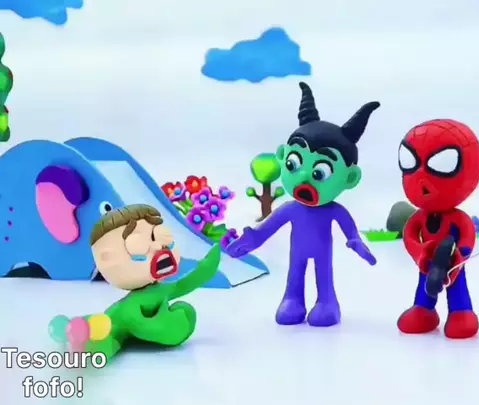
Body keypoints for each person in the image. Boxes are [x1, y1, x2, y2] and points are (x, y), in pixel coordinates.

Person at [226, 82, 378, 327]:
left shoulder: (334, 211)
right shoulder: (290, 209)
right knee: (294, 274)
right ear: (282, 156)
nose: (304, 177)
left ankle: (327, 302)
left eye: (320, 172)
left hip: (323, 252)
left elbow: (350, 231)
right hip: (297, 251)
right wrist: (251, 240)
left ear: (350, 178)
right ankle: (292, 300)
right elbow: (266, 229)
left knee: (324, 275)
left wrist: (356, 242)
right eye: (294, 164)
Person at [86, 204, 220, 359]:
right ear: (106, 259)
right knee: (104, 336)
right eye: (140, 245)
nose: (158, 247)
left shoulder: (161, 288)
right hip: (110, 326)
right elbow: (137, 322)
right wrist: (162, 327)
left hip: (113, 326)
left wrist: (208, 266)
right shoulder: (130, 307)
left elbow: (186, 283)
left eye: (162, 237)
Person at [396, 119, 479, 339]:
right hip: (427, 263)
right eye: (411, 164)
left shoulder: (459, 219)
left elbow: (467, 235)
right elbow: (409, 234)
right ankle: (423, 310)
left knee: (457, 287)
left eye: (441, 165)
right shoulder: (419, 218)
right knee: (424, 285)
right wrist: (420, 253)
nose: (421, 178)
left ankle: (461, 312)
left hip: (453, 264)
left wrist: (460, 255)